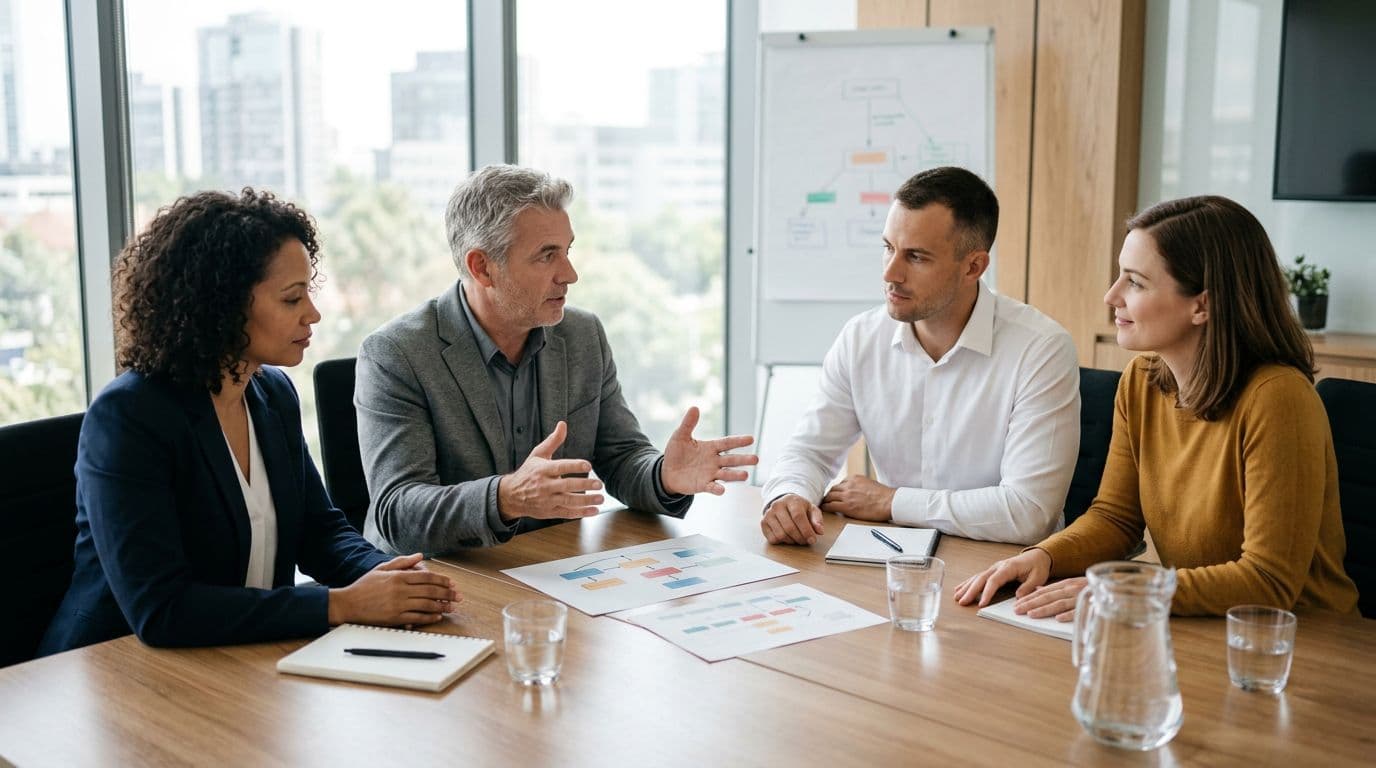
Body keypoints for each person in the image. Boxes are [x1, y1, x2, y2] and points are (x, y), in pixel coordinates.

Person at [39, 189, 459, 655]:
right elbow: (161, 609)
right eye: (291, 298)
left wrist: (388, 576)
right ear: (222, 306)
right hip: (116, 670)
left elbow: (320, 531)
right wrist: (338, 605)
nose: (313, 314)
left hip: (242, 656)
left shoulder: (271, 393)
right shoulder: (129, 417)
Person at [955, 195, 1360, 618]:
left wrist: (1125, 589)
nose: (1112, 296)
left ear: (1201, 305)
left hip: (1297, 641)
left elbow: (1268, 580)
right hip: (1196, 622)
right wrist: (1044, 556)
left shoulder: (1278, 398)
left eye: (1135, 282)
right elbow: (1115, 517)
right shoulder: (1143, 380)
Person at [355, 164, 757, 554]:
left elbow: (620, 456)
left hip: (551, 570)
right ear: (482, 268)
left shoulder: (582, 336)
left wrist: (664, 476)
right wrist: (505, 497)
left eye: (567, 251)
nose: (570, 274)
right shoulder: (396, 354)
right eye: (547, 256)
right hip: (444, 581)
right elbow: (397, 511)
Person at [761, 166, 1080, 547]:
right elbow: (809, 451)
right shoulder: (861, 338)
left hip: (1003, 569)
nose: (891, 273)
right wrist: (789, 495)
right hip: (893, 557)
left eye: (916, 257)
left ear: (973, 266)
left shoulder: (1040, 349)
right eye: (888, 248)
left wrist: (893, 502)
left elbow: (1027, 512)